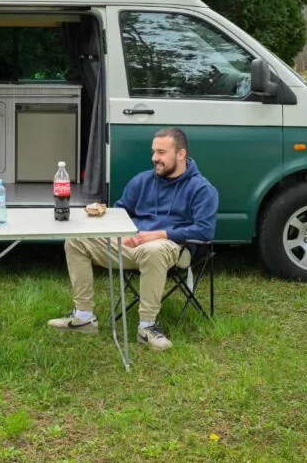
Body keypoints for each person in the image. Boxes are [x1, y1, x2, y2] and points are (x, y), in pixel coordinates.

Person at [47, 127, 218, 351]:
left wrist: (160, 234)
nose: (154, 158)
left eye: (161, 152)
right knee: (76, 241)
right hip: (132, 245)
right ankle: (84, 317)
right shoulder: (143, 181)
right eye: (153, 152)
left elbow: (205, 230)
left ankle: (147, 326)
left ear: (181, 154)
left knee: (153, 250)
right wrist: (121, 228)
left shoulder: (202, 189)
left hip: (173, 248)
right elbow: (121, 210)